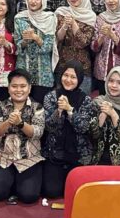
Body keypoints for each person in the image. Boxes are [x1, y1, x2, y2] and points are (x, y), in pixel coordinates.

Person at [0, 69, 45, 204]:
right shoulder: (0, 106)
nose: (18, 90)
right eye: (14, 86)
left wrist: (21, 123)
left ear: (29, 88)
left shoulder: (37, 107)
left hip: (29, 159)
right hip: (4, 158)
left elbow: (38, 133)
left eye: (23, 86)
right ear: (8, 88)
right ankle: (11, 183)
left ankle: (17, 184)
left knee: (29, 196)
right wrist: (8, 122)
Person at [41, 62, 96, 199]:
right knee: (51, 192)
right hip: (55, 152)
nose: (68, 80)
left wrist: (70, 110)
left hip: (79, 154)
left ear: (79, 80)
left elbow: (83, 128)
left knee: (78, 192)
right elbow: (48, 127)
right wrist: (59, 111)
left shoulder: (86, 100)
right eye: (66, 75)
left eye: (73, 77)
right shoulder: (51, 97)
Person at [14, 0, 58, 103]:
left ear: (43, 0)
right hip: (24, 69)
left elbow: (49, 47)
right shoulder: (19, 18)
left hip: (43, 74)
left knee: (41, 107)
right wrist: (25, 41)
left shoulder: (50, 18)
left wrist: (36, 38)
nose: (33, 1)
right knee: (22, 106)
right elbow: (17, 46)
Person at [55, 0, 97, 95]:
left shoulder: (90, 16)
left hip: (83, 68)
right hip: (63, 65)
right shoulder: (62, 12)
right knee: (61, 100)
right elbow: (58, 38)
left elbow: (84, 42)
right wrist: (64, 26)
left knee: (81, 101)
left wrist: (73, 23)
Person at [90, 66, 120, 166]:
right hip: (98, 162)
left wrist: (113, 114)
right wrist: (103, 115)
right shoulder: (98, 102)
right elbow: (92, 136)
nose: (114, 85)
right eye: (111, 81)